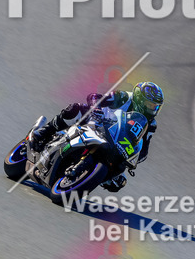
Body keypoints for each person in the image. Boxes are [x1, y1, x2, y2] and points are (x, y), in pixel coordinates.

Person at [30, 81, 163, 192]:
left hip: (117, 144)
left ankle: (90, 175)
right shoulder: (123, 97)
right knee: (75, 109)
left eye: (156, 107)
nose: (153, 110)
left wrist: (134, 159)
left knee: (117, 183)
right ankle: (44, 131)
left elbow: (144, 150)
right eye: (150, 105)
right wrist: (96, 109)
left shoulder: (150, 124)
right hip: (97, 122)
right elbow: (95, 97)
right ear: (139, 99)